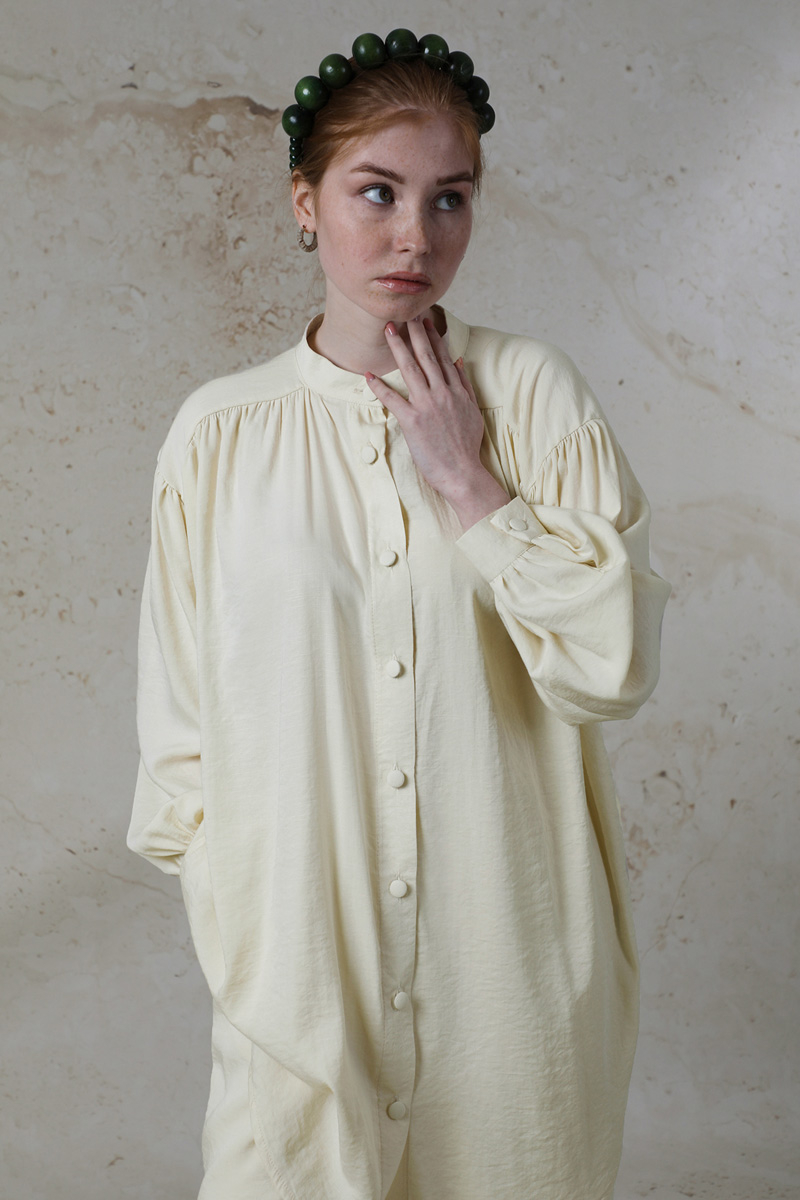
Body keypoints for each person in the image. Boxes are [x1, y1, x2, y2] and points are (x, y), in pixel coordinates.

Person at [127, 28, 672, 1200]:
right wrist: (251, 940)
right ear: (305, 204)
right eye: (376, 192)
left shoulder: (530, 397)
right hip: (298, 995)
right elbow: (180, 745)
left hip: (510, 991)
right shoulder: (218, 437)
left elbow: (610, 664)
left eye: (448, 199)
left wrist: (469, 484)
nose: (414, 236)